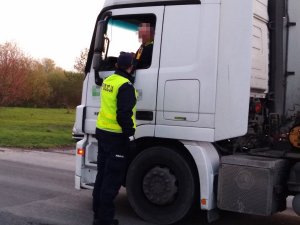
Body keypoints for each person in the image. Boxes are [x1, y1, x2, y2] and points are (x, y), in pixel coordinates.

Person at [92, 52, 137, 225]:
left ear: (117, 66)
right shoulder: (126, 86)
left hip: (102, 132)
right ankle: (104, 219)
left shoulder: (108, 81)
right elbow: (123, 115)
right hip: (116, 137)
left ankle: (97, 214)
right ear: (130, 67)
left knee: (102, 175)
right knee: (112, 179)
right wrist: (131, 136)